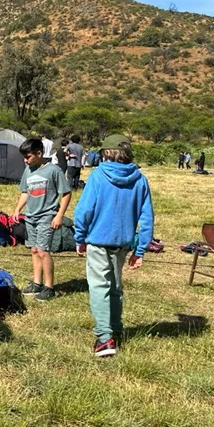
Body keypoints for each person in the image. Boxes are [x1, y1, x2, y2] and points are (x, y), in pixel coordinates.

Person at [74, 138, 154, 357]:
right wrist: (140, 250)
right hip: (123, 243)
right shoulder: (140, 179)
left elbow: (84, 211)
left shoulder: (98, 176)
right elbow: (147, 218)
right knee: (116, 287)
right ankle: (116, 331)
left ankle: (104, 338)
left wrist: (80, 238)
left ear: (105, 153)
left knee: (100, 287)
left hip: (98, 241)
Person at [12, 138, 72, 302]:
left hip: (47, 216)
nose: (25, 161)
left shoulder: (54, 170)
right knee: (34, 250)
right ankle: (37, 283)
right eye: (24, 157)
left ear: (39, 153)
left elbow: (66, 193)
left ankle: (49, 287)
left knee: (43, 251)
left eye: (28, 157)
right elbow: (25, 192)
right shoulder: (28, 171)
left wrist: (59, 215)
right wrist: (18, 209)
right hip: (31, 216)